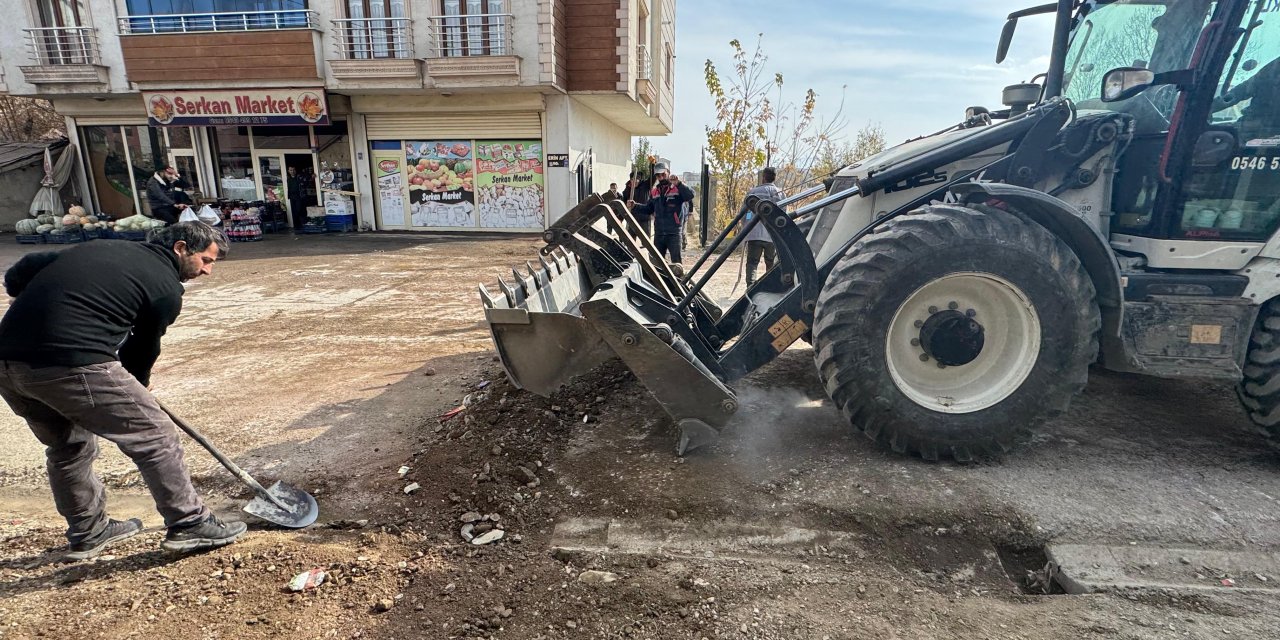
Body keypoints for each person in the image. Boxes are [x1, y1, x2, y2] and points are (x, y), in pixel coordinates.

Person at [0, 223, 247, 560]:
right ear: (180, 248)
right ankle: (189, 524)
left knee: (69, 445)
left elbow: (23, 268)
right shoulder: (165, 290)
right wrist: (138, 384)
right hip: (71, 360)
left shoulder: (101, 247)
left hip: (9, 364)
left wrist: (25, 298)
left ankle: (89, 531)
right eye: (206, 260)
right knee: (154, 432)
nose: (208, 271)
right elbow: (142, 349)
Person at [633, 162, 695, 264]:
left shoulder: (677, 188)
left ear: (668, 172)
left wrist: (679, 184)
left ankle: (678, 280)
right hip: (659, 233)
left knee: (676, 262)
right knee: (657, 263)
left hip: (674, 233)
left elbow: (690, 195)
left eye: (663, 174)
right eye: (658, 175)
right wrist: (635, 206)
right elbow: (648, 209)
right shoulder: (654, 191)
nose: (661, 177)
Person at [740, 167, 784, 287]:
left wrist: (745, 226)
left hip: (754, 233)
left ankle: (750, 286)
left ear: (763, 177)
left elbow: (744, 213)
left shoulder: (753, 192)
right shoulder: (779, 193)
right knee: (770, 262)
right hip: (772, 235)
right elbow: (783, 213)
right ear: (775, 177)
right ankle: (769, 285)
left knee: (752, 263)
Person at [627, 170, 653, 236]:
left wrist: (652, 165)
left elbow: (653, 177)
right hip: (632, 217)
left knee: (646, 240)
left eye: (636, 179)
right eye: (632, 179)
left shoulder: (646, 185)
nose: (634, 181)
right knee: (630, 239)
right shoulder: (628, 188)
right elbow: (624, 201)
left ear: (639, 180)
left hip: (644, 218)